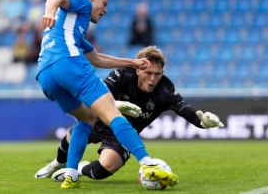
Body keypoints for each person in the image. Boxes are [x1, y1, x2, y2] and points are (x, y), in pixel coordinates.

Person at [36, 0, 178, 189]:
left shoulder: (71, 28)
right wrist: (48, 11)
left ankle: (71, 174)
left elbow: (97, 59)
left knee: (87, 119)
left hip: (45, 75)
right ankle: (147, 162)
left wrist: (133, 62)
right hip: (67, 63)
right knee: (112, 113)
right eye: (104, 3)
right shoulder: (83, 2)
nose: (105, 10)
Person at [35, 46, 224, 182]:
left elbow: (185, 110)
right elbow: (100, 93)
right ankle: (57, 163)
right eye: (148, 72)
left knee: (106, 168)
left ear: (162, 73)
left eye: (157, 74)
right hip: (103, 119)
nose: (152, 78)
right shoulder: (123, 75)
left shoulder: (165, 90)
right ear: (138, 69)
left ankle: (79, 168)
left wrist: (202, 121)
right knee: (74, 134)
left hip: (124, 134)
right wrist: (115, 104)